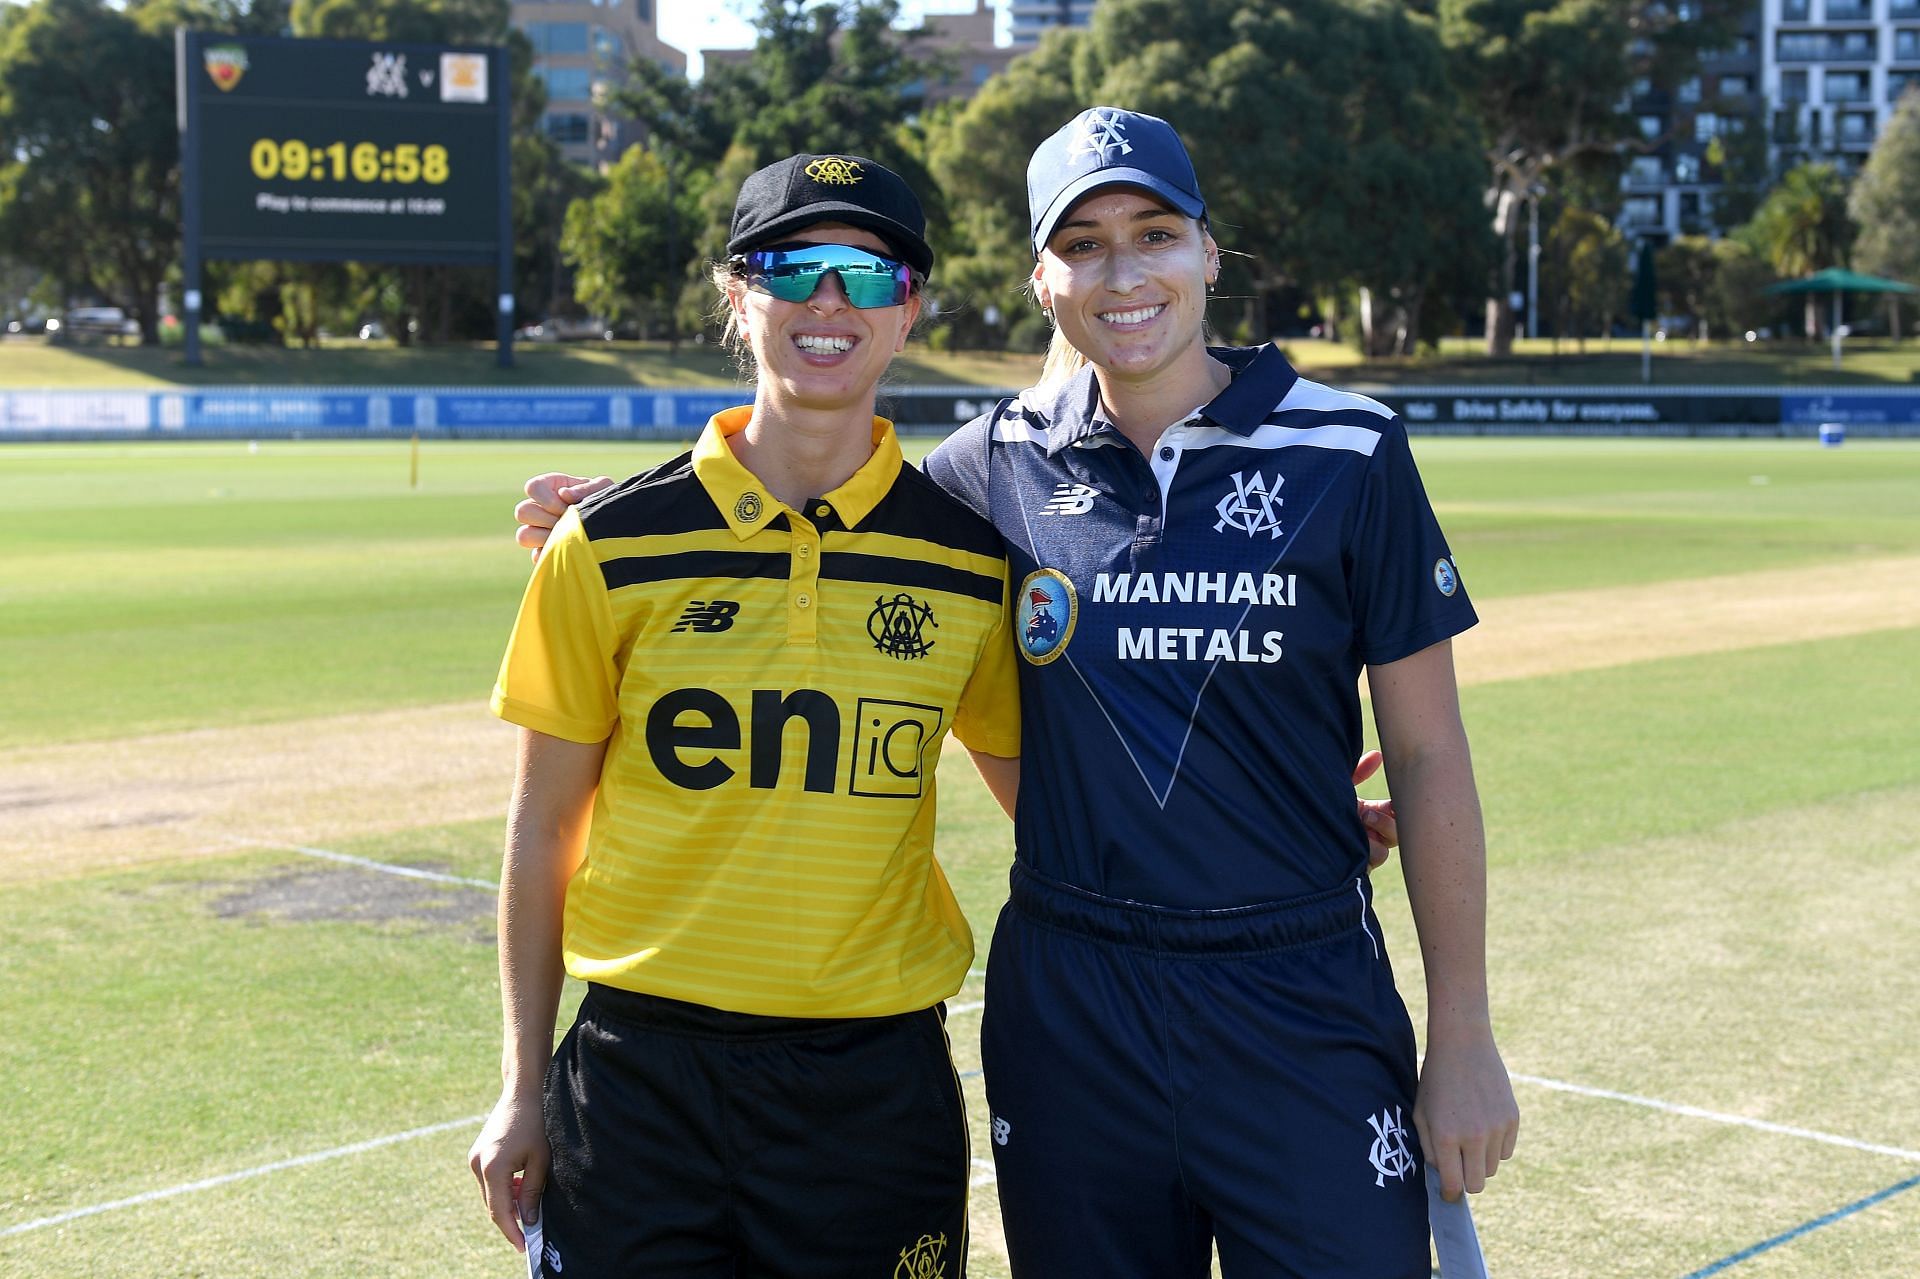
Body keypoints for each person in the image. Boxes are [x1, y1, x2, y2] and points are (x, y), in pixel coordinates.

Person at [517, 106, 1517, 1279]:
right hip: (1074, 1003)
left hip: (1297, 986)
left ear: (1207, 249)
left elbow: (1434, 758)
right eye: (1083, 244)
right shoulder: (991, 470)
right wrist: (615, 508)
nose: (1123, 270)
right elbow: (814, 492)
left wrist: (1466, 1033)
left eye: (1153, 233)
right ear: (1043, 278)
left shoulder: (1350, 449)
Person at [468, 152, 1024, 1279]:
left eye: (869, 276)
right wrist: (522, 1082)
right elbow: (541, 836)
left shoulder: (968, 563)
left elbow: (1062, 810)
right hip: (638, 1083)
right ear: (736, 293)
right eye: (794, 269)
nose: (830, 304)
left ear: (909, 308)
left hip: (871, 1091)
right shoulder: (608, 545)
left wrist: (1286, 825)